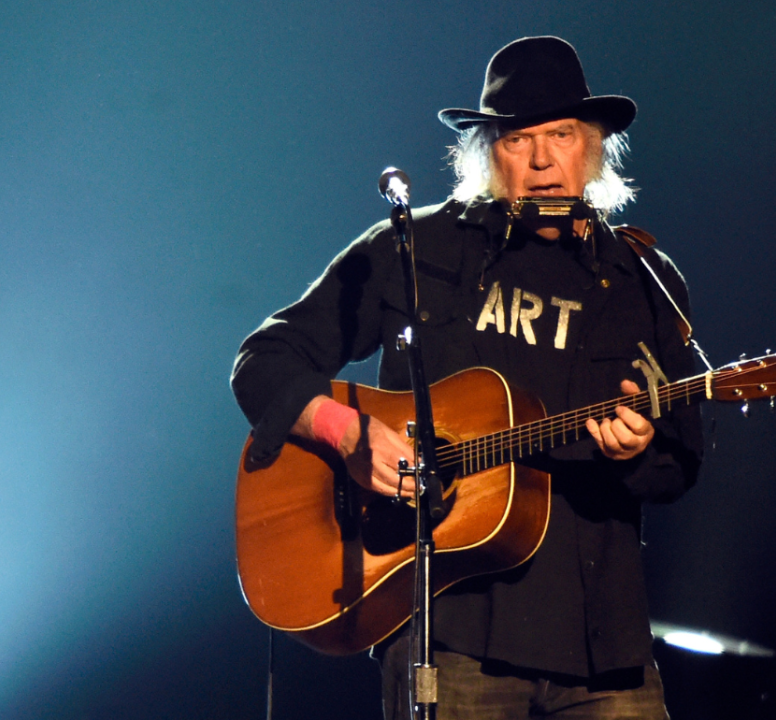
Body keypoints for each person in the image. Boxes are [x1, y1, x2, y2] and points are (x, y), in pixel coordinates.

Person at [231, 36, 702, 720]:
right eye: (520, 140)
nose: (543, 160)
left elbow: (683, 460)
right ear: (488, 153)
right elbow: (264, 361)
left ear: (593, 147)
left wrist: (634, 454)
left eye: (562, 135)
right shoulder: (415, 248)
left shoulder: (644, 281)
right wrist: (348, 433)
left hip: (605, 649)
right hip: (449, 640)